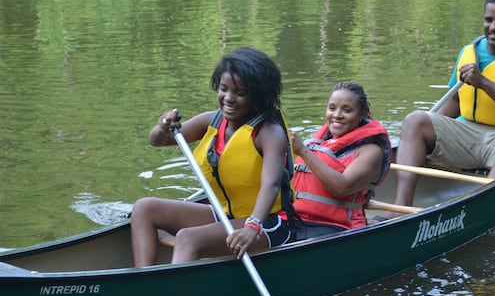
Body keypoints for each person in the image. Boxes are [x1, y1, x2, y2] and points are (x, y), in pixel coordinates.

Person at [130, 47, 294, 266]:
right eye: (224, 89)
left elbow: (271, 184)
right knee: (144, 208)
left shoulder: (269, 133)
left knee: (187, 238)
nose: (228, 98)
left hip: (267, 222)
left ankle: (173, 295)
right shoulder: (211, 121)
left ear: (258, 96)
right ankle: (144, 281)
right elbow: (157, 141)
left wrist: (252, 226)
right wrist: (162, 127)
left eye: (239, 93)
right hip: (226, 215)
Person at [388, 0, 495, 211]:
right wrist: (424, 136)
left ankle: (481, 203)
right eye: (489, 20)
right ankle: (399, 208)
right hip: (468, 134)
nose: (493, 27)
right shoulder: (468, 52)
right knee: (415, 120)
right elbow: (455, 100)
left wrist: (483, 82)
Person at [288, 82, 391, 239]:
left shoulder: (371, 151)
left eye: (347, 110)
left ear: (362, 114)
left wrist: (303, 151)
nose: (337, 115)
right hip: (298, 219)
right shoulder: (319, 144)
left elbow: (342, 188)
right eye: (332, 108)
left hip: (337, 227)